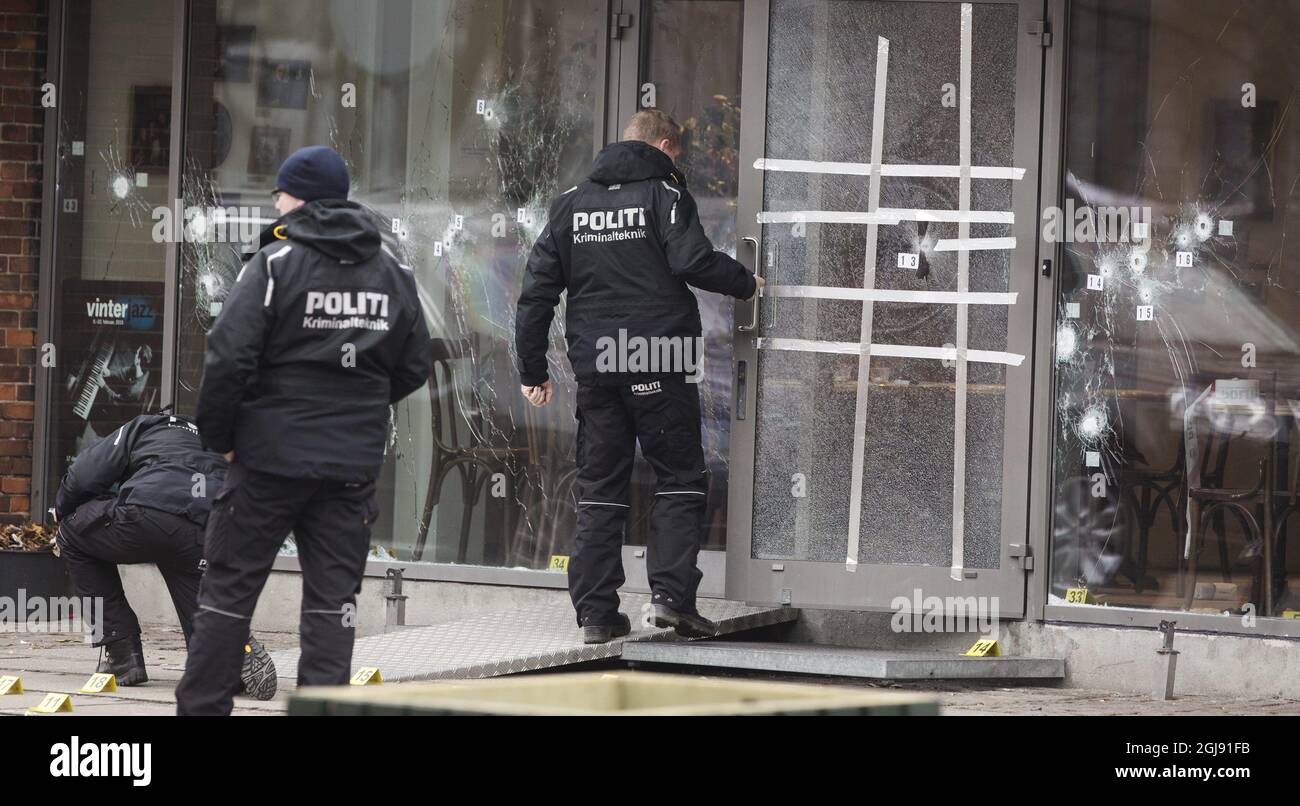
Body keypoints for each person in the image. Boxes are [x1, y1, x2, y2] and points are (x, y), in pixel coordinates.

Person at [174, 146, 433, 715]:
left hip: (267, 461)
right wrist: (357, 405)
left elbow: (226, 359)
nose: (275, 203)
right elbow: (415, 365)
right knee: (332, 604)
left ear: (298, 199)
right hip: (349, 469)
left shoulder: (272, 266)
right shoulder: (393, 271)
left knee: (228, 594)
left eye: (279, 194)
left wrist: (220, 439)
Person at [515, 109, 763, 644]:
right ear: (665, 145)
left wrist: (531, 368)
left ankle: (597, 614)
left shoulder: (571, 204)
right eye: (678, 155)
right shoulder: (664, 196)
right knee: (678, 477)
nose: (680, 164)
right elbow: (693, 260)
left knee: (601, 486)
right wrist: (747, 283)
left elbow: (536, 292)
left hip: (599, 366)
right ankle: (673, 600)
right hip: (659, 357)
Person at [54, 410, 277, 699]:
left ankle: (123, 653)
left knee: (71, 534)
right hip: (204, 532)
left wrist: (61, 508)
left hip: (148, 512)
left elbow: (85, 474)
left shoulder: (148, 425)